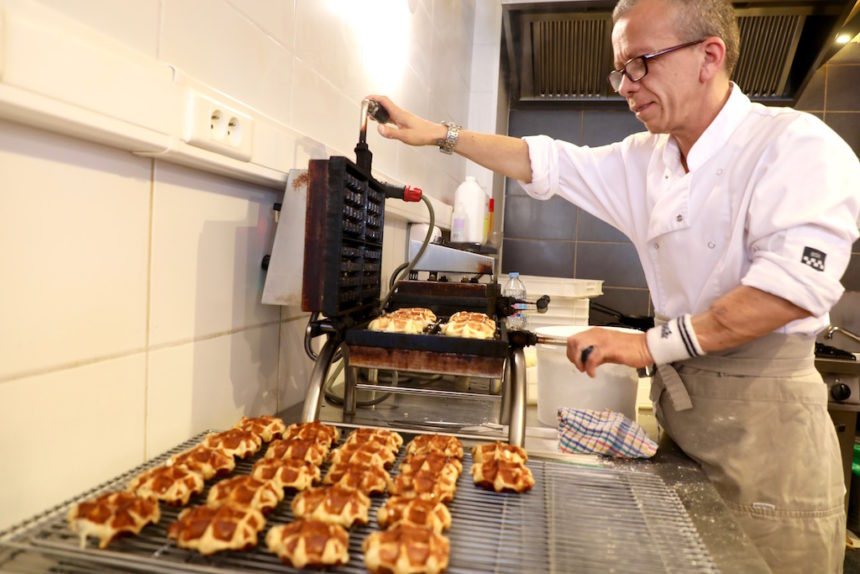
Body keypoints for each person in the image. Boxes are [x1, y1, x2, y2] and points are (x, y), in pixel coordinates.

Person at [367, 0, 860, 571]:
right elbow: (542, 160)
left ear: (710, 56)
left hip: (768, 441)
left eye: (641, 63)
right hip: (688, 424)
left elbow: (784, 293)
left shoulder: (796, 145)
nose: (626, 86)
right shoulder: (649, 159)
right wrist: (439, 136)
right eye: (620, 69)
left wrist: (649, 344)